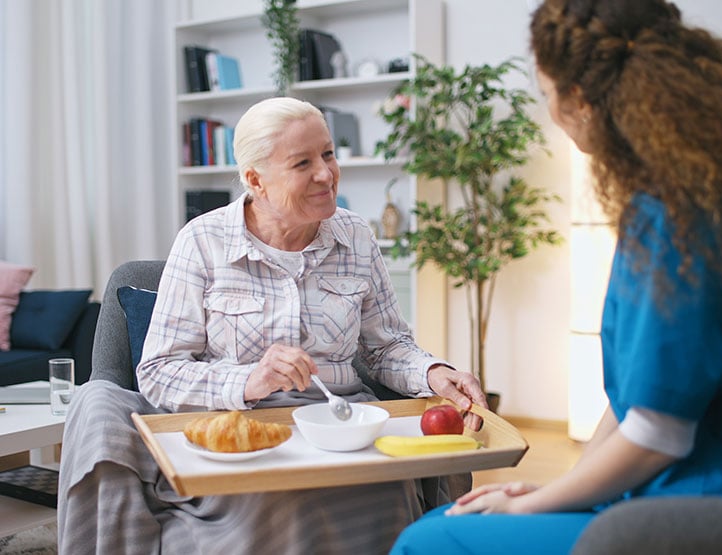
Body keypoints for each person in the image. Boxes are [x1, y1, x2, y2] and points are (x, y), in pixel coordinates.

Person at [56, 96, 486, 555]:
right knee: (97, 400)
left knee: (372, 491)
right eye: (303, 163)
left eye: (328, 153)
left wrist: (432, 373)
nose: (326, 173)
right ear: (255, 180)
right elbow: (160, 371)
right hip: (243, 438)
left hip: (339, 433)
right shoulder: (202, 241)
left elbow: (385, 348)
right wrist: (249, 379)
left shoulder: (356, 235)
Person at [390, 0, 722, 553]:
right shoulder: (706, 185)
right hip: (666, 492)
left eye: (545, 89)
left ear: (579, 100)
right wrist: (564, 491)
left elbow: (657, 432)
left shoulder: (672, 217)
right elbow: (636, 402)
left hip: (692, 507)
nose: (547, 106)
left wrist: (529, 503)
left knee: (430, 540)